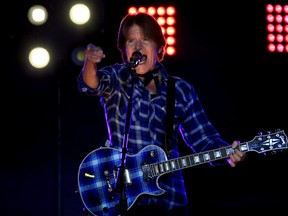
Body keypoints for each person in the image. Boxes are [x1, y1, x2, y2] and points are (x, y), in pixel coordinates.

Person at [77, 12, 246, 216]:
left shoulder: (181, 90)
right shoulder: (117, 78)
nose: (138, 47)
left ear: (159, 48)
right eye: (131, 41)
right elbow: (90, 85)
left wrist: (227, 151)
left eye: (145, 40)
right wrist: (91, 62)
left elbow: (203, 138)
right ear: (124, 50)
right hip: (121, 198)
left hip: (169, 199)